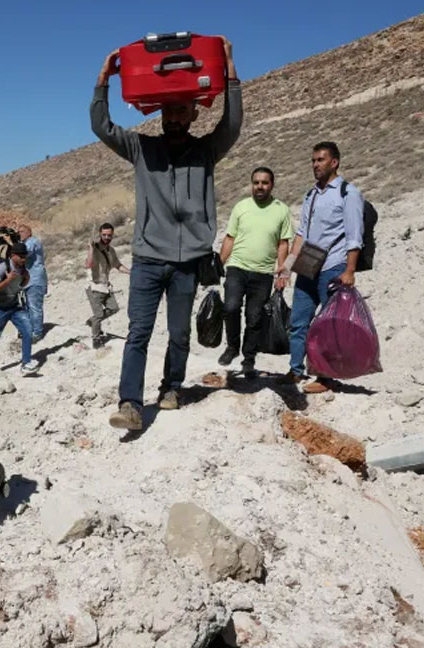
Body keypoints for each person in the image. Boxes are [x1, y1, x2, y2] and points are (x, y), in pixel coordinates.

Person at [91, 37, 242, 430]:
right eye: (168, 111)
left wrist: (228, 67)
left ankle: (171, 387)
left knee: (178, 333)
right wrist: (104, 80)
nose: (173, 117)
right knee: (137, 333)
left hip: (188, 262)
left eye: (180, 110)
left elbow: (233, 123)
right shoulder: (142, 149)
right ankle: (129, 404)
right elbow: (102, 126)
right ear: (160, 114)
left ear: (193, 113)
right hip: (147, 260)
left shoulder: (207, 151)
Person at [278, 141, 364, 394]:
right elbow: (302, 233)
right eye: (313, 160)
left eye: (321, 160)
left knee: (328, 326)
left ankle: (325, 377)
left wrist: (349, 271)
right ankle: (295, 371)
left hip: (333, 266)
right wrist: (288, 266)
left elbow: (354, 236)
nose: (315, 165)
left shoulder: (348, 193)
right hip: (307, 265)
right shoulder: (311, 194)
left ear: (334, 162)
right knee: (298, 321)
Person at [218, 167, 293, 378]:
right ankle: (232, 346)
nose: (260, 186)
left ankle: (248, 357)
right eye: (256, 182)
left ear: (272, 185)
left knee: (255, 317)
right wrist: (219, 263)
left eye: (264, 183)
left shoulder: (282, 210)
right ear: (252, 184)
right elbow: (230, 238)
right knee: (231, 307)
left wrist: (283, 272)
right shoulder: (241, 207)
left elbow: (282, 243)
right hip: (237, 267)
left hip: (262, 274)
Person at [0, 242, 40, 377]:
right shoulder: (3, 268)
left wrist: (26, 278)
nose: (23, 259)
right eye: (21, 257)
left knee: (27, 330)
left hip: (14, 306)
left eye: (25, 256)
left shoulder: (22, 267)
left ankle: (26, 363)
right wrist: (8, 280)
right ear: (13, 255)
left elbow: (22, 284)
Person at [85, 222, 128, 349]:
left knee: (114, 308)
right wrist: (91, 248)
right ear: (100, 234)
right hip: (94, 286)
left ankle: (92, 321)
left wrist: (131, 272)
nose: (106, 238)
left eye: (109, 235)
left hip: (105, 286)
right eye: (104, 235)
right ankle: (96, 339)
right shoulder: (95, 248)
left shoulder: (111, 250)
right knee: (99, 315)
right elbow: (88, 264)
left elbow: (118, 265)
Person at [18, 224, 47, 342]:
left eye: (22, 231)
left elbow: (25, 253)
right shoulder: (26, 243)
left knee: (35, 307)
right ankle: (29, 330)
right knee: (26, 306)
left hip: (35, 279)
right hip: (27, 280)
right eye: (18, 232)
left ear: (29, 232)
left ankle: (37, 333)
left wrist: (16, 248)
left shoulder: (32, 242)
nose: (20, 234)